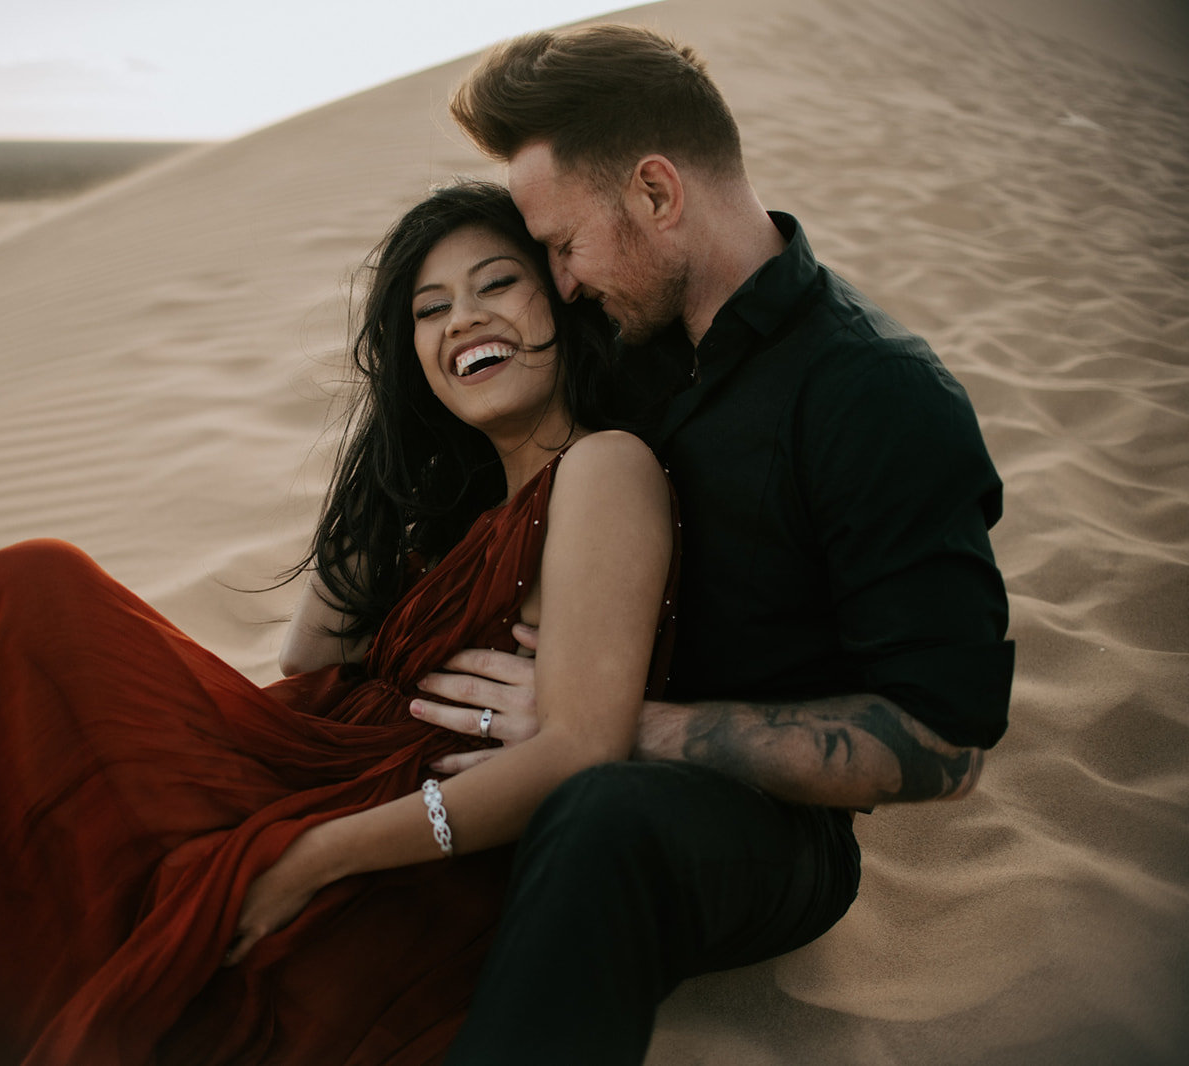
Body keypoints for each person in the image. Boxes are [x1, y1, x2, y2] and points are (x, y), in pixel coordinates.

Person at [0, 182, 683, 1065]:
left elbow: (583, 747)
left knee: (30, 585)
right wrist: (387, 454)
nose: (465, 323)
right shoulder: (465, 504)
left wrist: (312, 858)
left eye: (497, 286)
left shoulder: (602, 465)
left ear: (562, 305)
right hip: (311, 756)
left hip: (392, 828)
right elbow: (308, 656)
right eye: (429, 312)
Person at [403, 25, 1015, 1065]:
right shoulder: (621, 342)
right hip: (542, 740)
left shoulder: (874, 395)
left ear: (654, 193)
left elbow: (943, 743)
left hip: (753, 826)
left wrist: (613, 728)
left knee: (602, 817)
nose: (557, 281)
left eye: (561, 244)